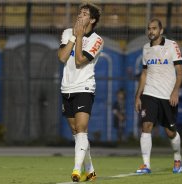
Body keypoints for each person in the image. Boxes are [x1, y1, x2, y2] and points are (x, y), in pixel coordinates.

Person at [57, 3, 103, 182]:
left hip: (84, 87)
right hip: (66, 88)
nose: (79, 16)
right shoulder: (68, 33)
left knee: (82, 129)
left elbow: (79, 60)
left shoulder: (97, 40)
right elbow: (62, 57)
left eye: (84, 14)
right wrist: (73, 38)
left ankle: (76, 170)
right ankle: (90, 170)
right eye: (79, 13)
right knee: (76, 132)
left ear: (92, 20)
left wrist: (80, 36)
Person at [134, 18, 182, 174]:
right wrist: (138, 95)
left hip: (167, 95)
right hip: (149, 93)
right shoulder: (145, 48)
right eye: (149, 28)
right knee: (146, 126)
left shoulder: (172, 45)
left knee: (171, 132)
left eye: (154, 28)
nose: (151, 31)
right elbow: (144, 73)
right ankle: (146, 165)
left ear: (161, 30)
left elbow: (180, 70)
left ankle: (177, 158)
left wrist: (175, 91)